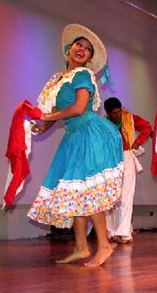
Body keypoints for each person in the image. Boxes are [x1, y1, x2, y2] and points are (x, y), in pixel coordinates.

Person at [27, 24, 124, 267]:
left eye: (88, 49)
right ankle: (81, 247)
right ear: (69, 48)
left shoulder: (83, 75)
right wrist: (42, 126)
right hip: (73, 135)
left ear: (90, 59)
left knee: (87, 190)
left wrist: (48, 119)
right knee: (75, 192)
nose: (82, 49)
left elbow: (79, 108)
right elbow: (58, 111)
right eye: (79, 44)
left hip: (89, 133)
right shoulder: (58, 80)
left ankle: (104, 245)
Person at [103, 97, 152, 244]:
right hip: (109, 160)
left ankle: (124, 233)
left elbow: (147, 127)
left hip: (127, 157)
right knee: (109, 197)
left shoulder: (129, 118)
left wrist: (137, 142)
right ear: (107, 113)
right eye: (114, 113)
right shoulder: (103, 123)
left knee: (127, 196)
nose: (117, 115)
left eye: (119, 111)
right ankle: (111, 231)